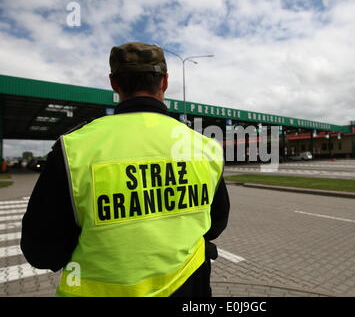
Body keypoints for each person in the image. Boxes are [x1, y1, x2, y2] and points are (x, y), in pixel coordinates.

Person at [21, 42, 230, 297]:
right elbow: (216, 223)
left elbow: (41, 251)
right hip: (189, 289)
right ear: (164, 82)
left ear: (114, 83)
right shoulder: (205, 147)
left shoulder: (74, 148)